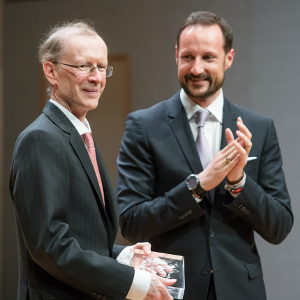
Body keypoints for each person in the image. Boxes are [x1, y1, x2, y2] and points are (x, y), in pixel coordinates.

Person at [116, 11, 293, 300]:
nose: (196, 69)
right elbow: (131, 223)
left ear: (229, 58)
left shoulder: (260, 128)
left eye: (208, 57)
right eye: (188, 57)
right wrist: (198, 185)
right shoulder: (144, 126)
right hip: (169, 290)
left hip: (241, 289)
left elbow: (279, 227)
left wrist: (238, 183)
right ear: (176, 55)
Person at [9, 21, 175, 300]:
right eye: (84, 66)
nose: (96, 78)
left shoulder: (80, 133)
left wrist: (125, 256)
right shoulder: (40, 139)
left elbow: (83, 237)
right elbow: (50, 246)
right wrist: (132, 282)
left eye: (102, 67)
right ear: (51, 71)